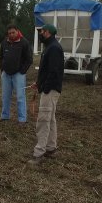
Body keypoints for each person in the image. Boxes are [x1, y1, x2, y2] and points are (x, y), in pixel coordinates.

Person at [28, 24, 64, 165]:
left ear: (47, 32)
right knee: (50, 119)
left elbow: (54, 72)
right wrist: (38, 83)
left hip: (50, 90)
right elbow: (46, 71)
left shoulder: (54, 48)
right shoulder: (50, 47)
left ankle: (39, 153)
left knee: (43, 120)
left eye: (42, 31)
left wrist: (45, 88)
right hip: (50, 89)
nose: (40, 34)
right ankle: (51, 148)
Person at [0, 24, 33, 124]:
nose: (11, 35)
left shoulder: (24, 42)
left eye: (13, 32)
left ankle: (22, 119)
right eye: (9, 33)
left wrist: (22, 71)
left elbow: (29, 59)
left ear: (17, 31)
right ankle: (5, 116)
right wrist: (2, 68)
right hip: (6, 74)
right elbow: (1, 56)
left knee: (20, 97)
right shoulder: (4, 42)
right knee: (5, 96)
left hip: (19, 75)